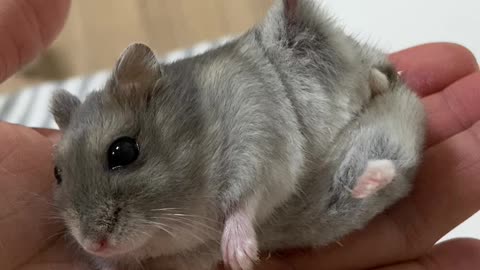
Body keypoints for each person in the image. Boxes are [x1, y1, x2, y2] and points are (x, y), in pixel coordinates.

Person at [1, 1, 479, 269]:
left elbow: (257, 131)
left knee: (296, 27)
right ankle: (380, 160)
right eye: (61, 174)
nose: (93, 231)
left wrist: (239, 213)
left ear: (146, 89)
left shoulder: (212, 107)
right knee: (359, 190)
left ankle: (368, 80)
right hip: (318, 195)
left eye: (122, 154)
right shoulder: (126, 226)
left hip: (306, 95)